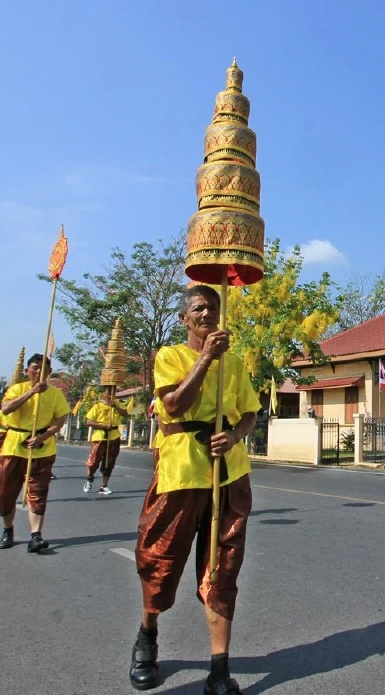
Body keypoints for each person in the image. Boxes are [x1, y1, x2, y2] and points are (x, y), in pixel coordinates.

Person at [129, 285, 260, 693]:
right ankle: (147, 635)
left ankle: (219, 669)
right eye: (200, 308)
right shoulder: (170, 356)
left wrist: (234, 435)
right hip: (182, 470)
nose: (208, 313)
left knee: (223, 567)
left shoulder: (235, 363)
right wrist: (206, 357)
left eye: (214, 307)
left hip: (228, 473)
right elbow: (174, 406)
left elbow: (250, 413)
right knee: (161, 558)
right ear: (184, 318)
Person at [0, 354, 69, 552]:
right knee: (5, 492)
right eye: (34, 367)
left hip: (41, 449)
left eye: (43, 368)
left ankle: (36, 535)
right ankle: (7, 529)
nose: (38, 371)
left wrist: (42, 437)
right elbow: (6, 409)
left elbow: (60, 420)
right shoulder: (16, 389)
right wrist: (32, 392)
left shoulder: (55, 394)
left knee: (38, 493)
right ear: (27, 370)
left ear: (49, 372)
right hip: (13, 447)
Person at [84, 386, 130, 495]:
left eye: (113, 392)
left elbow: (125, 414)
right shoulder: (98, 406)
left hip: (114, 436)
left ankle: (104, 485)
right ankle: (89, 478)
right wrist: (103, 426)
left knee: (109, 462)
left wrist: (115, 406)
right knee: (94, 461)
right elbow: (89, 422)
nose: (111, 394)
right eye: (108, 392)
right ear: (104, 393)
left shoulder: (117, 404)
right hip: (100, 437)